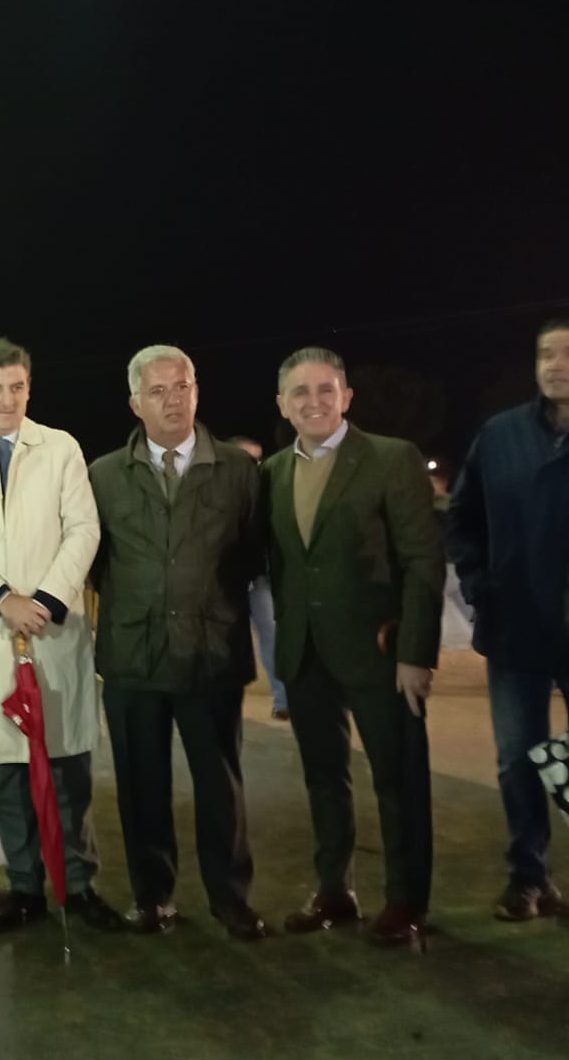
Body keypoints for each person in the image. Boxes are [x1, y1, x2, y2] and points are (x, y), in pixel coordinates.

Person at [0, 337, 123, 934]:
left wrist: (46, 600)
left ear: (29, 388)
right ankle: (26, 886)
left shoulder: (60, 448)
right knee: (10, 773)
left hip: (54, 629)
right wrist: (2, 600)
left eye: (16, 387)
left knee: (68, 768)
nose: (6, 400)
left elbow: (84, 529)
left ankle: (79, 885)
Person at [263, 347, 444, 948]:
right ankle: (334, 891)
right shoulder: (273, 474)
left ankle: (406, 901)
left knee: (398, 779)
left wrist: (416, 653)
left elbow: (422, 561)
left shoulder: (391, 459)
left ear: (346, 397)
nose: (313, 401)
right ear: (283, 405)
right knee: (323, 777)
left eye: (325, 389)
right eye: (300, 392)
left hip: (381, 653)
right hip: (306, 652)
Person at [89, 348, 266, 939]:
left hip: (210, 653)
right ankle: (153, 897)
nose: (172, 400)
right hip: (132, 656)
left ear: (197, 391)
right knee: (141, 787)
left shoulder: (238, 471)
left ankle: (230, 898)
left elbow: (255, 554)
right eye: (157, 391)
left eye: (181, 386)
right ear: (135, 403)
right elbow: (95, 561)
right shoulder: (103, 475)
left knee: (220, 786)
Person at [448, 317, 569, 921]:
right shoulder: (501, 434)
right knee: (517, 760)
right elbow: (462, 517)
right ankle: (528, 875)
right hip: (515, 631)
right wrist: (479, 587)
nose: (554, 365)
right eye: (546, 354)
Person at [232, 435, 289, 720]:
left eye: (258, 459)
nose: (255, 465)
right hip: (224, 580)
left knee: (272, 636)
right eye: (247, 458)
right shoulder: (212, 490)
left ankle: (283, 700)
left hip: (258, 578)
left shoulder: (267, 493)